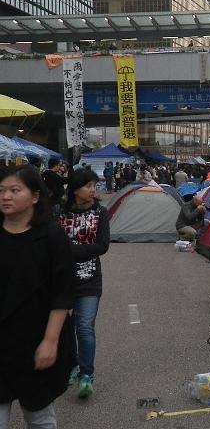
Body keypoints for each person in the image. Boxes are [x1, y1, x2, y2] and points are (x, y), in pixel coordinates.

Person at [0, 165, 73, 428]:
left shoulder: (52, 237)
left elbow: (62, 294)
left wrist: (50, 342)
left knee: (40, 417)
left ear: (34, 197)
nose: (5, 196)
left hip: (36, 339)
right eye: (1, 190)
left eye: (14, 190)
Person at [57, 168, 110, 400]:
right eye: (88, 186)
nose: (92, 190)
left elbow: (102, 245)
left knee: (85, 327)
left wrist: (75, 251)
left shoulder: (101, 212)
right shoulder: (59, 212)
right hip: (62, 280)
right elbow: (53, 243)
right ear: (75, 188)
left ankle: (87, 375)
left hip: (90, 279)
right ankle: (73, 365)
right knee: (65, 328)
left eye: (94, 186)